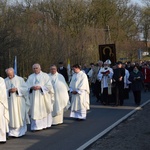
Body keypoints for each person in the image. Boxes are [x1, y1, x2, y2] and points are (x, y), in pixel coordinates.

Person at [26, 63, 54, 131]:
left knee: (43, 111)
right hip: (33, 96)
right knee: (34, 111)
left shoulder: (45, 76)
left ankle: (44, 125)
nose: (35, 70)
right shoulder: (31, 77)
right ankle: (35, 126)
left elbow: (49, 86)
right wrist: (31, 87)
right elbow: (26, 86)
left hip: (42, 97)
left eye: (36, 68)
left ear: (40, 68)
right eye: (34, 68)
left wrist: (40, 87)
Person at [5, 68, 30, 137]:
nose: (9, 76)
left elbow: (25, 89)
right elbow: (3, 91)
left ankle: (21, 132)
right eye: (8, 75)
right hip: (10, 102)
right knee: (11, 116)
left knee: (20, 116)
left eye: (10, 75)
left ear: (13, 73)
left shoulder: (20, 79)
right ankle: (12, 132)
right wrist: (8, 91)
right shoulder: (5, 81)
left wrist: (17, 90)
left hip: (19, 101)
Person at [0, 77, 9, 143]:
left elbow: (2, 92)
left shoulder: (1, 80)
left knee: (1, 120)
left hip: (0, 103)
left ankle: (1, 137)